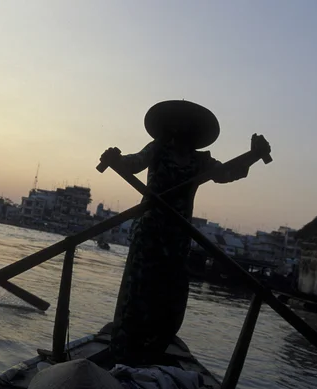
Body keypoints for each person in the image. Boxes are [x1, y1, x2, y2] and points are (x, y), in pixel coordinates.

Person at [102, 100, 271, 366]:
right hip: (150, 234)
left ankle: (153, 354)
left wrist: (253, 155)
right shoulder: (157, 150)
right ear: (169, 126)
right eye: (176, 122)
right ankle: (124, 353)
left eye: (187, 124)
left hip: (178, 238)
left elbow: (226, 173)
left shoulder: (200, 160)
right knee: (137, 295)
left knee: (172, 298)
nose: (181, 127)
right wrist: (115, 158)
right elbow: (133, 163)